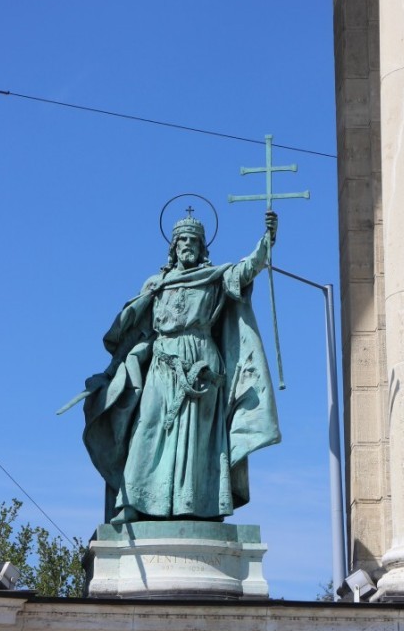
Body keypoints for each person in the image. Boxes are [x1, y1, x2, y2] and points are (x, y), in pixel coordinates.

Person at [83, 210, 281, 523]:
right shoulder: (156, 284)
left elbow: (247, 270)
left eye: (194, 240)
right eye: (183, 240)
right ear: (173, 246)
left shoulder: (214, 278)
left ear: (203, 247)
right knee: (146, 427)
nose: (188, 244)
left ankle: (199, 505)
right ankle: (133, 502)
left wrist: (266, 242)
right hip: (163, 362)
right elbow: (131, 328)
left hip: (201, 364)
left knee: (199, 441)